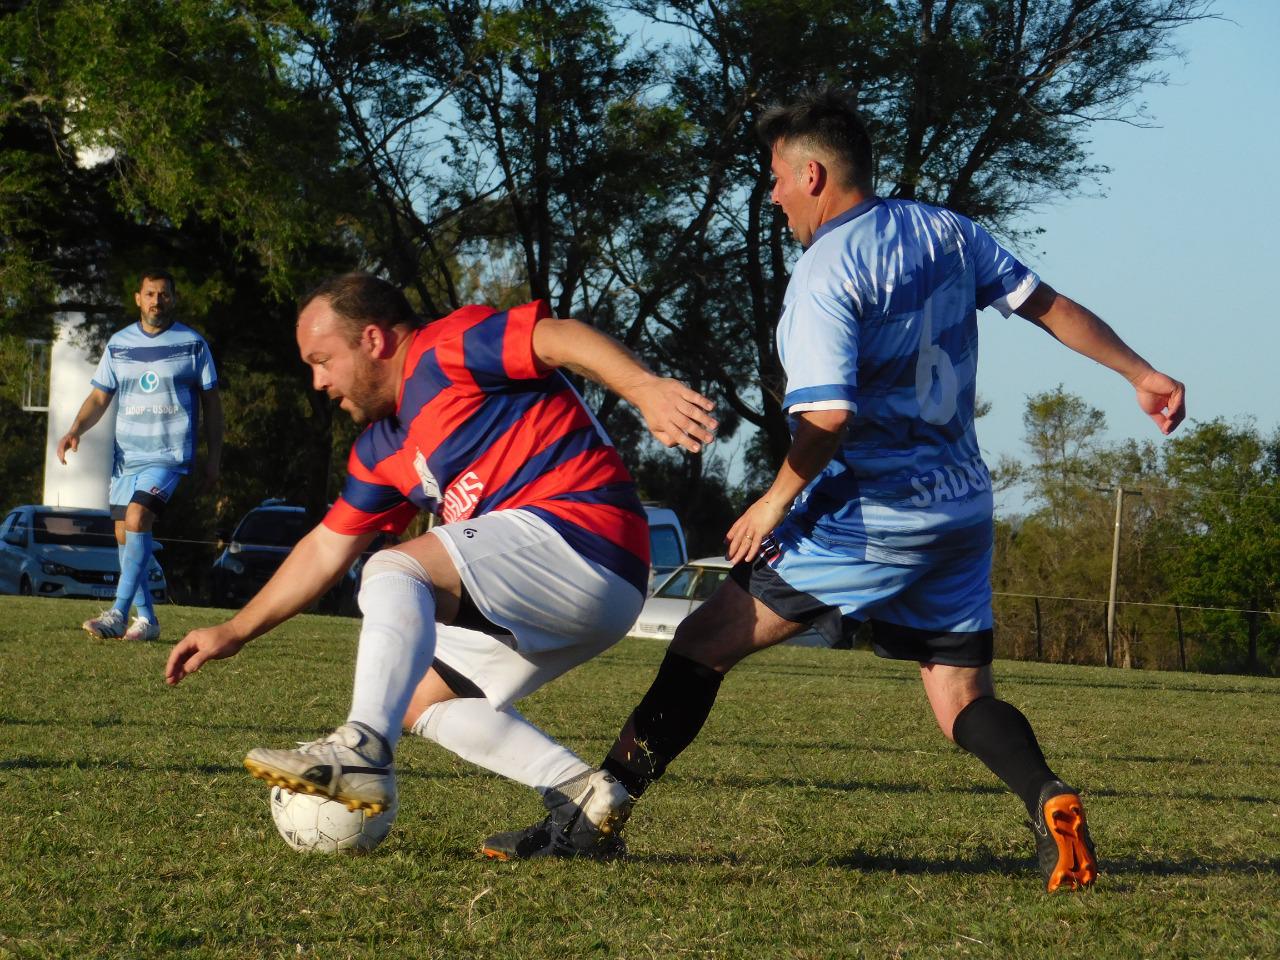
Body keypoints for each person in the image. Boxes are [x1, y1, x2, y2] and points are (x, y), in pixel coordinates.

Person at [487, 89, 1186, 890]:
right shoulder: (948, 231)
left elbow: (828, 415)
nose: (773, 194)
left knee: (700, 646)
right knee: (960, 698)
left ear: (813, 174)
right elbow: (1048, 305)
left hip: (871, 516)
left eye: (778, 179)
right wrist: (1142, 372)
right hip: (960, 506)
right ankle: (1048, 797)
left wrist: (772, 499)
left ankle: (589, 823)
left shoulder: (826, 272)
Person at [164, 273, 718, 858]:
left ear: (374, 340)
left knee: (394, 569)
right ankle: (581, 793)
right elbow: (327, 545)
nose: (318, 381)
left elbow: (555, 337)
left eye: (322, 360)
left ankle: (362, 750)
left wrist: (645, 388)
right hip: (578, 588)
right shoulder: (381, 447)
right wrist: (234, 629)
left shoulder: (444, 348)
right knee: (417, 701)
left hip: (586, 536)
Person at [58, 269, 223, 642]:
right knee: (125, 534)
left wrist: (214, 458)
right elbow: (100, 396)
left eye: (163, 294)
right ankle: (147, 620)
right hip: (125, 459)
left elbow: (213, 404)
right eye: (150, 294)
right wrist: (74, 430)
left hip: (168, 456)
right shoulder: (118, 344)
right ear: (138, 298)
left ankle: (117, 613)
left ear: (173, 299)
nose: (156, 301)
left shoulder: (193, 344)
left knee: (137, 518)